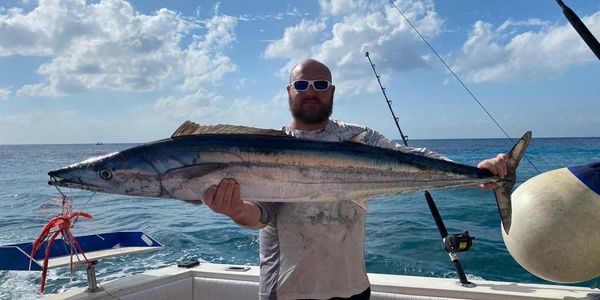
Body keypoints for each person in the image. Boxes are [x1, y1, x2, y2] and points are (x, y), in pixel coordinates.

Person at [203, 59, 508, 300]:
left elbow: (414, 157)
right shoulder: (270, 147)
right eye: (302, 84)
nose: (311, 91)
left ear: (332, 91)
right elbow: (262, 213)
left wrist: (476, 173)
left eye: (320, 84)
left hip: (352, 288)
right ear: (289, 91)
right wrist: (235, 209)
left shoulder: (358, 137)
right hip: (288, 290)